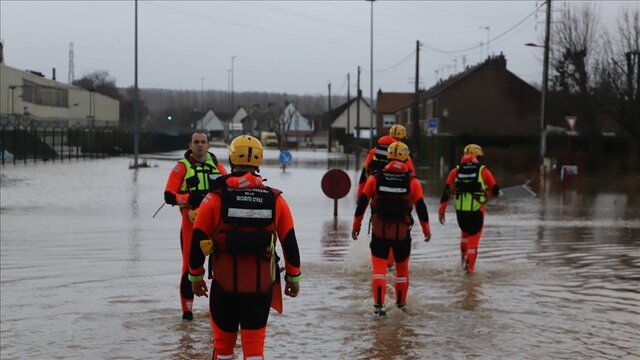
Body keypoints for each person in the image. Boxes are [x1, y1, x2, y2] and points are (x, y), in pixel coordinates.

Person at [189, 135, 301, 359]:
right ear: (258, 162)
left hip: (224, 286)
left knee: (222, 349)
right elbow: (290, 242)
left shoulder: (214, 198)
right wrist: (293, 278)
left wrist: (195, 277)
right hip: (260, 289)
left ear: (231, 159)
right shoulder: (276, 199)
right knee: (254, 351)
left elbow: (197, 241)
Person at [351, 141, 431, 316]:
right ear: (405, 158)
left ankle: (378, 308)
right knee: (402, 271)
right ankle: (401, 305)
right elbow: (421, 207)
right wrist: (426, 230)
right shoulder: (413, 182)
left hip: (379, 233)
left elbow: (362, 204)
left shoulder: (375, 178)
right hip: (402, 235)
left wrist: (356, 226)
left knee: (379, 272)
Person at [163, 131, 228, 321]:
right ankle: (187, 313)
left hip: (214, 224)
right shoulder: (181, 168)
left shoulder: (217, 166)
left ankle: (216, 311)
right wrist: (189, 198)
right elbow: (168, 196)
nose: (200, 145)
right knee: (188, 267)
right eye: (196, 142)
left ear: (208, 145)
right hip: (190, 222)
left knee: (218, 267)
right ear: (190, 145)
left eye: (203, 142)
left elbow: (229, 190)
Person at [356, 124, 416, 270]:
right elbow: (412, 176)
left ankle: (382, 260)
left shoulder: (374, 151)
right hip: (400, 198)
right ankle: (390, 263)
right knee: (397, 228)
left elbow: (364, 173)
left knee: (379, 224)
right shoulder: (404, 154)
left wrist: (360, 194)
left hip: (377, 193)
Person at [438, 144, 500, 275]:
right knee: (473, 241)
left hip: (461, 213)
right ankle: (469, 272)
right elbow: (495, 190)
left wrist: (441, 211)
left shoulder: (455, 171)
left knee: (464, 236)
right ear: (476, 156)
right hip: (477, 211)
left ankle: (462, 262)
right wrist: (488, 192)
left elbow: (446, 191)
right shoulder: (483, 171)